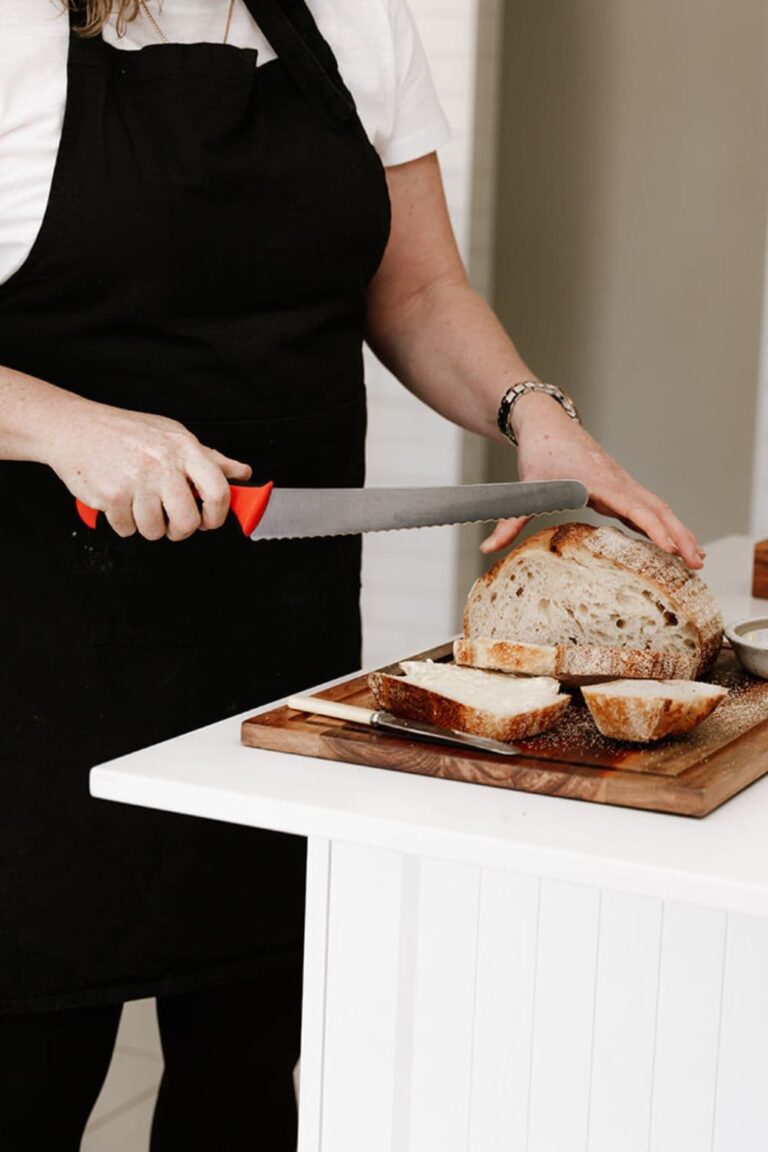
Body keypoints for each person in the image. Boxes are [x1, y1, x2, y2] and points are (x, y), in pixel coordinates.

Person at [0, 1, 704, 1149]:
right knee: (29, 1069)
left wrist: (537, 418)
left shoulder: (353, 16)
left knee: (247, 1060)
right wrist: (72, 429)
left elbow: (419, 292)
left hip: (273, 651)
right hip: (30, 652)